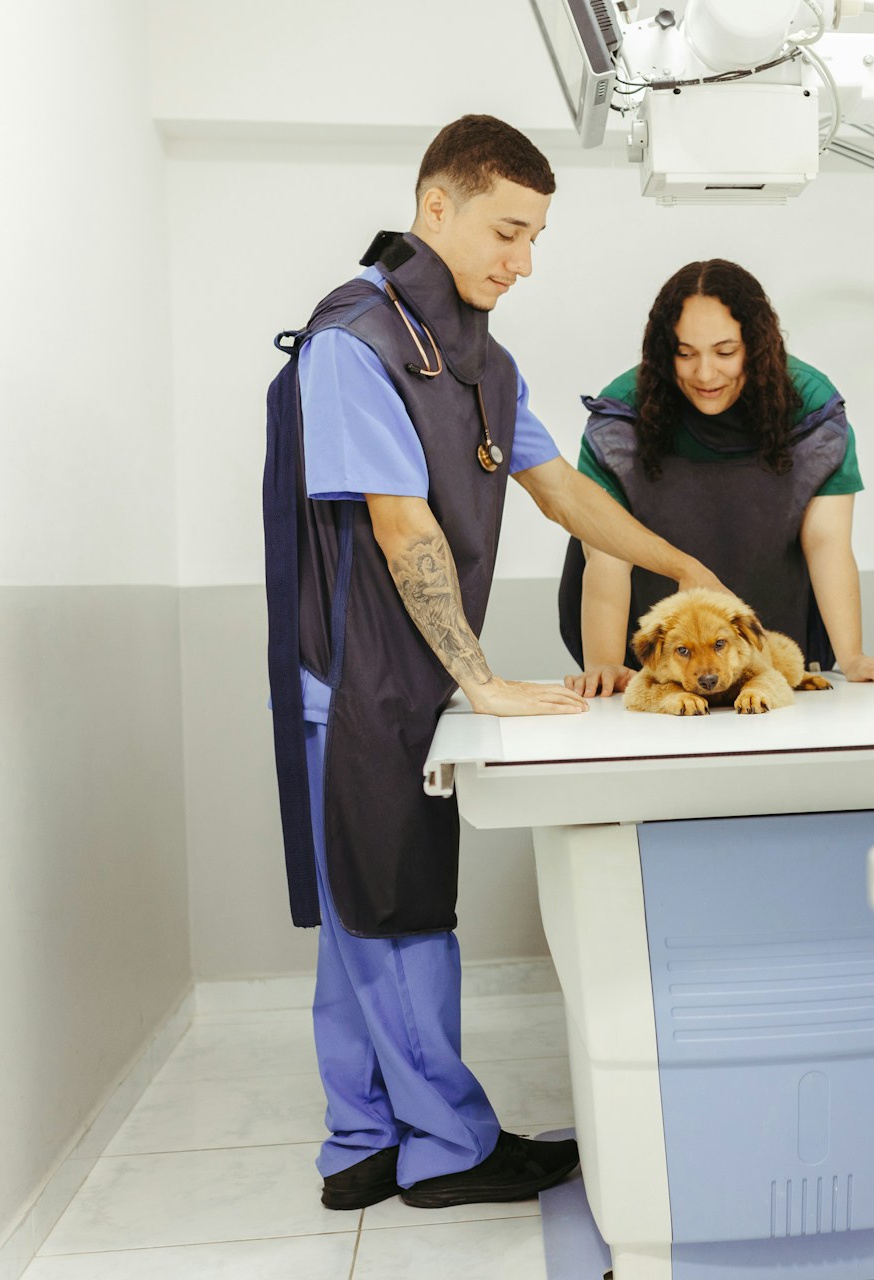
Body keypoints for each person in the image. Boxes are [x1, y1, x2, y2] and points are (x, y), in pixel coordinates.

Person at [262, 115, 722, 1212]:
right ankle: (445, 1148)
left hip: (411, 675)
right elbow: (398, 523)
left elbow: (563, 491)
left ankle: (361, 1138)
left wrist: (685, 565)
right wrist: (480, 677)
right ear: (437, 207)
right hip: (359, 681)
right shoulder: (354, 343)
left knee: (361, 913)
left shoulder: (480, 363)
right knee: (395, 908)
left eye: (537, 236)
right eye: (508, 231)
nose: (523, 260)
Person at [559, 259, 874, 696]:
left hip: (771, 629)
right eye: (684, 353)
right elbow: (606, 552)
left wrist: (853, 657)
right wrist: (605, 662)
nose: (705, 373)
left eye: (726, 352)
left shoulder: (811, 406)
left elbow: (827, 541)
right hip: (660, 656)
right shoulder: (621, 413)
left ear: (756, 344)